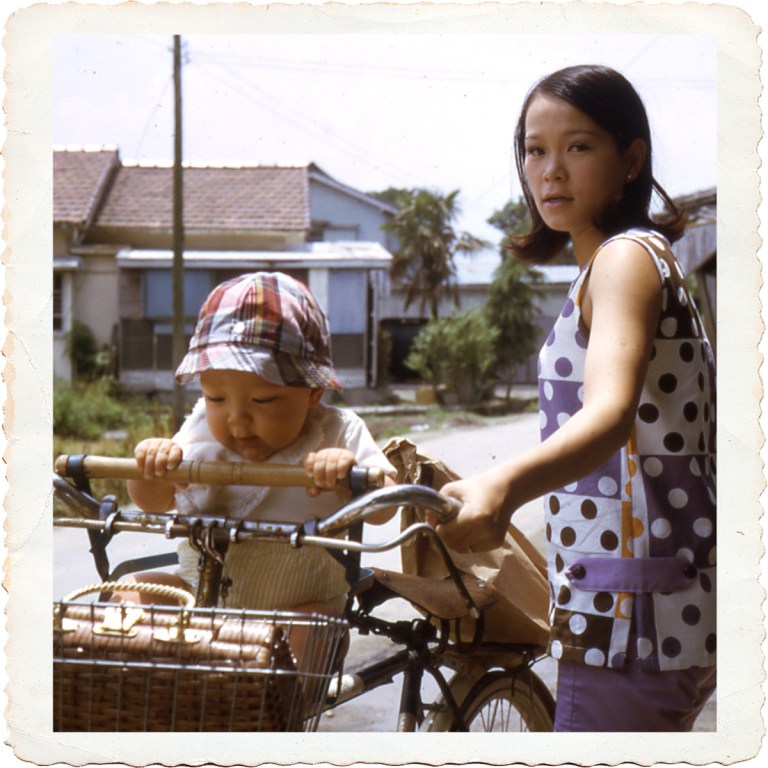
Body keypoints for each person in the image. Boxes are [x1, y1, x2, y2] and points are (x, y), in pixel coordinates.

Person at [435, 65, 716, 732]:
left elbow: (609, 410)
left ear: (631, 160)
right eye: (535, 150)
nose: (550, 171)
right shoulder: (626, 259)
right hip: (649, 603)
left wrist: (503, 485)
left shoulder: (624, 260)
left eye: (579, 146)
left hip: (633, 622)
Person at [121, 271, 396, 664]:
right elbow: (152, 503)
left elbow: (387, 505)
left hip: (298, 606)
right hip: (199, 595)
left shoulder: (336, 432)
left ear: (312, 391)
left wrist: (350, 477)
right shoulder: (200, 430)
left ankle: (272, 717)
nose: (237, 420)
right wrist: (151, 466)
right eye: (216, 397)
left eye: (263, 400)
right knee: (129, 592)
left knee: (308, 629)